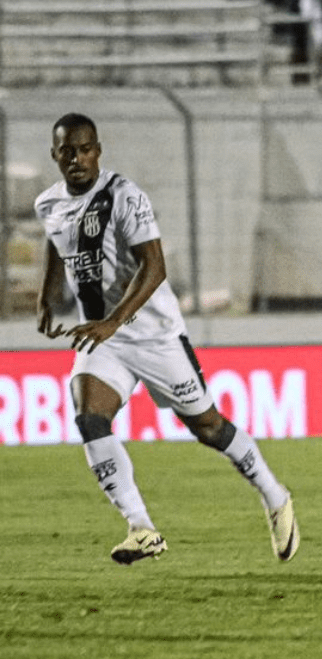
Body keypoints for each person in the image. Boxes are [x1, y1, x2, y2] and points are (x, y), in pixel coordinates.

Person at [34, 113, 299, 565]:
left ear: (98, 150)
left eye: (85, 149)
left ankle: (275, 496)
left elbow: (155, 267)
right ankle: (141, 528)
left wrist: (113, 321)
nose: (76, 158)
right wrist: (45, 297)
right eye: (67, 151)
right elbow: (57, 241)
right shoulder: (48, 204)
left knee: (209, 427)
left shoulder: (124, 197)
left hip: (154, 336)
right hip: (107, 339)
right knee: (89, 416)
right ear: (54, 155)